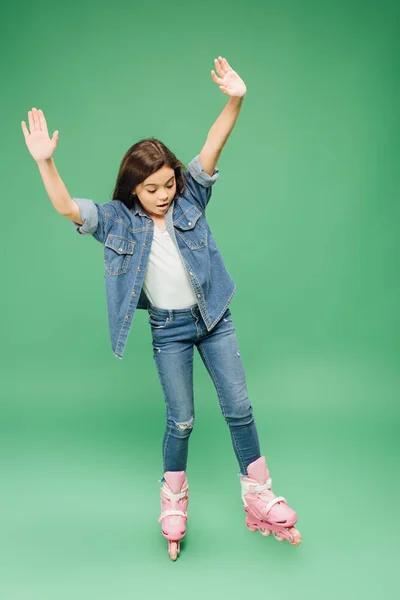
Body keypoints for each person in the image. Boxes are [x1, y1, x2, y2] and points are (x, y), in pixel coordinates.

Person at [21, 56, 301, 561]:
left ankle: (258, 493)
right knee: (183, 419)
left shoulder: (191, 194)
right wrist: (45, 161)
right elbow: (68, 207)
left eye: (169, 184)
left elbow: (214, 143)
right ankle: (173, 499)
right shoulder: (115, 221)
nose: (164, 195)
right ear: (134, 188)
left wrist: (236, 98)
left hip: (214, 319)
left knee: (239, 408)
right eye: (152, 189)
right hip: (169, 329)